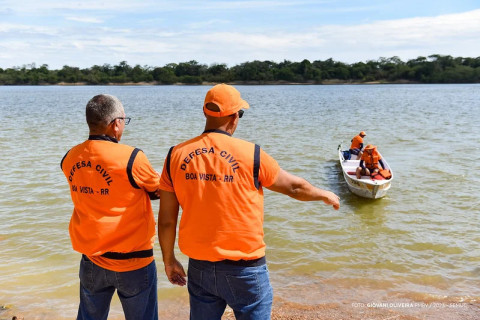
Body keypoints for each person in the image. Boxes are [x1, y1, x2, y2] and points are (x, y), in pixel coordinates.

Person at [157, 84, 340, 320]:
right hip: (245, 270)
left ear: (206, 113)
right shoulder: (251, 154)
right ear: (234, 117)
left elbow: (166, 221)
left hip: (200, 267)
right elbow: (294, 187)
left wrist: (169, 260)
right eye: (239, 114)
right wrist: (323, 193)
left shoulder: (175, 155)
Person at [61, 94, 161, 320]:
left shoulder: (70, 157)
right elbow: (158, 191)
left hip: (92, 258)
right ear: (115, 123)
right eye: (125, 120)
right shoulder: (132, 157)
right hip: (134, 261)